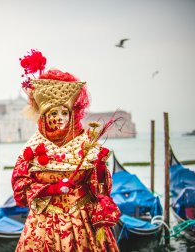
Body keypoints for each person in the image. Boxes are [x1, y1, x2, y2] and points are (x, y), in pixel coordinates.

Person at [12, 50, 120, 251]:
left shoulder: (87, 144)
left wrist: (97, 171)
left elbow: (102, 187)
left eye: (64, 112)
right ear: (44, 115)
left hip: (83, 223)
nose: (60, 118)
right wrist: (50, 189)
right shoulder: (31, 149)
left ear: (73, 114)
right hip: (43, 226)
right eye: (54, 113)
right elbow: (20, 186)